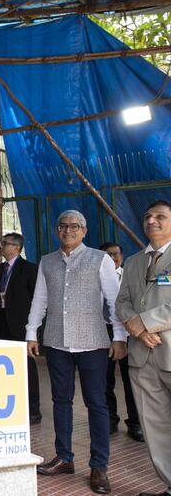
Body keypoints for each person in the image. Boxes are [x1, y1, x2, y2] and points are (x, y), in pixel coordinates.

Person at [28, 210, 126, 495]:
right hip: (57, 342)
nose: (68, 230)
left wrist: (119, 337)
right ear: (57, 230)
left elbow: (114, 301)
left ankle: (99, 466)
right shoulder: (47, 261)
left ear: (84, 231)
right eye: (63, 226)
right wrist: (31, 332)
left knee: (96, 403)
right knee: (60, 401)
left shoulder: (100, 259)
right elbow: (39, 300)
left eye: (74, 226)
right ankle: (64, 458)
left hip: (93, 343)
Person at [116, 200, 171, 496]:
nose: (152, 221)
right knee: (155, 428)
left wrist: (143, 325)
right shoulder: (134, 262)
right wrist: (134, 326)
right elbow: (121, 301)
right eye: (148, 216)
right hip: (142, 359)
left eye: (160, 216)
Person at [0, 232, 41, 424]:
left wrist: (33, 328)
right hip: (3, 321)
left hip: (22, 325)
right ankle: (14, 405)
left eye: (5, 243)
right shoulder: (2, 267)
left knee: (27, 365)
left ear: (17, 248)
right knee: (9, 365)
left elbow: (36, 299)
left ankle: (33, 410)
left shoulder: (29, 268)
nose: (1, 246)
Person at [99, 242, 143, 441]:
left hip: (129, 330)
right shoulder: (95, 277)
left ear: (122, 256)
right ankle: (110, 419)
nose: (112, 257)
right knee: (105, 379)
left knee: (130, 378)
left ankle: (136, 423)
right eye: (107, 255)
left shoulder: (131, 275)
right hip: (103, 330)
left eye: (116, 254)